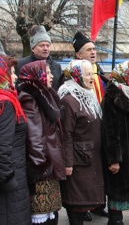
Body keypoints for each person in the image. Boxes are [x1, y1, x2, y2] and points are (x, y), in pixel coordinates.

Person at [58, 59, 105, 225]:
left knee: (84, 201)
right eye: (87, 74)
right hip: (77, 162)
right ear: (76, 75)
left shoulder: (88, 95)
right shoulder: (69, 99)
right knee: (76, 202)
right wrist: (68, 164)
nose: (92, 77)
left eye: (92, 73)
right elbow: (66, 134)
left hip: (90, 158)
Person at [18, 60, 66, 225]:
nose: (52, 76)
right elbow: (34, 137)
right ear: (37, 76)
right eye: (48, 72)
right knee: (42, 215)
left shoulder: (45, 94)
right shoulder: (30, 97)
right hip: (43, 168)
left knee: (51, 213)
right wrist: (41, 168)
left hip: (50, 162)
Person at [101, 61, 129, 225]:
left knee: (122, 190)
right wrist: (114, 159)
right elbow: (110, 131)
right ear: (124, 75)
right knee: (116, 191)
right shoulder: (112, 98)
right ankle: (115, 221)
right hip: (120, 154)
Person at [0, 55, 30, 224]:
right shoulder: (5, 103)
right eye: (11, 72)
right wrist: (9, 181)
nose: (15, 76)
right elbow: (2, 148)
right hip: (9, 183)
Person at [15, 25, 62, 90]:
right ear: (33, 48)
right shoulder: (21, 65)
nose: (45, 48)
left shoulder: (56, 67)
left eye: (48, 45)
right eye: (42, 45)